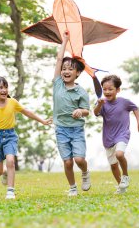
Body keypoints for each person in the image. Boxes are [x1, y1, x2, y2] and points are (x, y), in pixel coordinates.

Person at [93, 75, 139, 194]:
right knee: (113, 165)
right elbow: (95, 113)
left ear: (117, 90)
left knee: (119, 154)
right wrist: (100, 104)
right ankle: (121, 186)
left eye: (110, 89)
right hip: (108, 138)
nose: (107, 92)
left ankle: (126, 176)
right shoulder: (102, 103)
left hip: (122, 134)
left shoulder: (124, 102)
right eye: (104, 89)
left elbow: (135, 108)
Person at [53, 31, 91, 197]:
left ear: (78, 73)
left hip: (76, 130)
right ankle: (73, 187)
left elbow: (87, 111)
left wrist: (80, 111)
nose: (66, 71)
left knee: (79, 160)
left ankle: (85, 172)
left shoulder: (81, 92)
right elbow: (59, 59)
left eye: (70, 69)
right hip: (61, 129)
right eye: (64, 69)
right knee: (67, 162)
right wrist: (65, 40)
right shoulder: (57, 84)